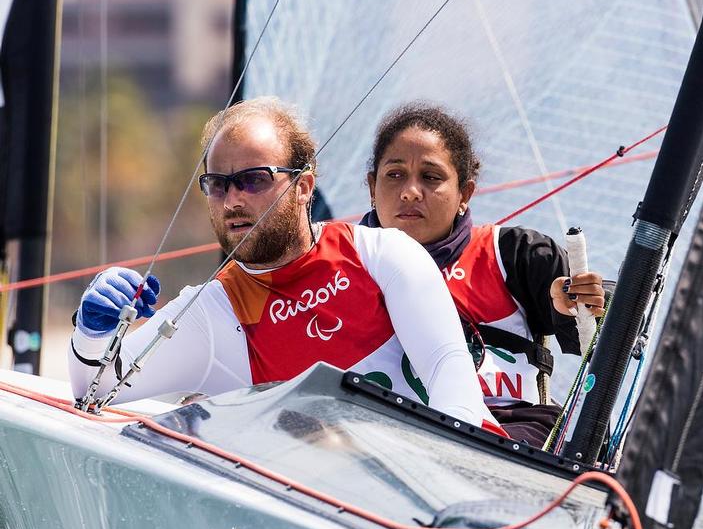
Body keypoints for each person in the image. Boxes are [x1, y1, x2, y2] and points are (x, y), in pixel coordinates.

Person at [68, 97, 500, 432]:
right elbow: (95, 390)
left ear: (303, 187)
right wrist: (92, 332)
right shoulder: (212, 312)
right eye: (217, 185)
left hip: (466, 501)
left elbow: (451, 377)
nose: (233, 200)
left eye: (253, 179)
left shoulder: (383, 254)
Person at [361, 102, 605, 446]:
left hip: (505, 434)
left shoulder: (515, 253)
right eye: (395, 174)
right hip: (381, 430)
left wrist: (574, 304)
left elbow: (609, 333)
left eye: (431, 177)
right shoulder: (338, 265)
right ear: (372, 187)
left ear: (465, 194)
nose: (410, 191)